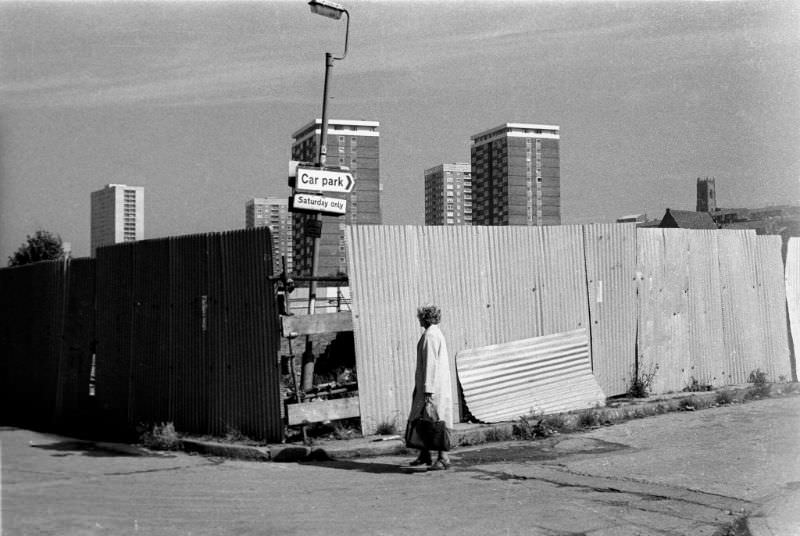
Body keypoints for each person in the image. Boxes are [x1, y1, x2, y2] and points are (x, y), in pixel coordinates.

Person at [407, 304, 453, 470]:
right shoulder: (434, 333)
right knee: (423, 421)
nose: (418, 318)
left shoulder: (430, 336)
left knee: (435, 422)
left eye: (420, 316)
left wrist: (427, 390)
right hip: (430, 386)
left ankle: (443, 458)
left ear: (425, 317)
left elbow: (431, 364)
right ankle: (424, 454)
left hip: (431, 388)